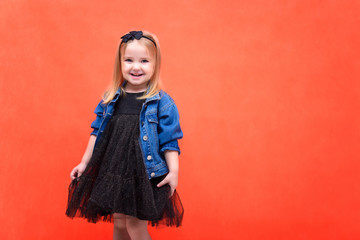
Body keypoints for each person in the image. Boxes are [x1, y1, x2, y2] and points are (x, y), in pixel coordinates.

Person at [65, 30, 184, 240]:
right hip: (114, 170)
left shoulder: (162, 103)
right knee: (119, 222)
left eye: (144, 61)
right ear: (119, 63)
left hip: (142, 173)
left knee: (135, 224)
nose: (135, 67)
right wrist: (84, 163)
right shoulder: (110, 99)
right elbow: (97, 133)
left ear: (155, 65)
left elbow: (169, 141)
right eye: (129, 60)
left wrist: (173, 171)